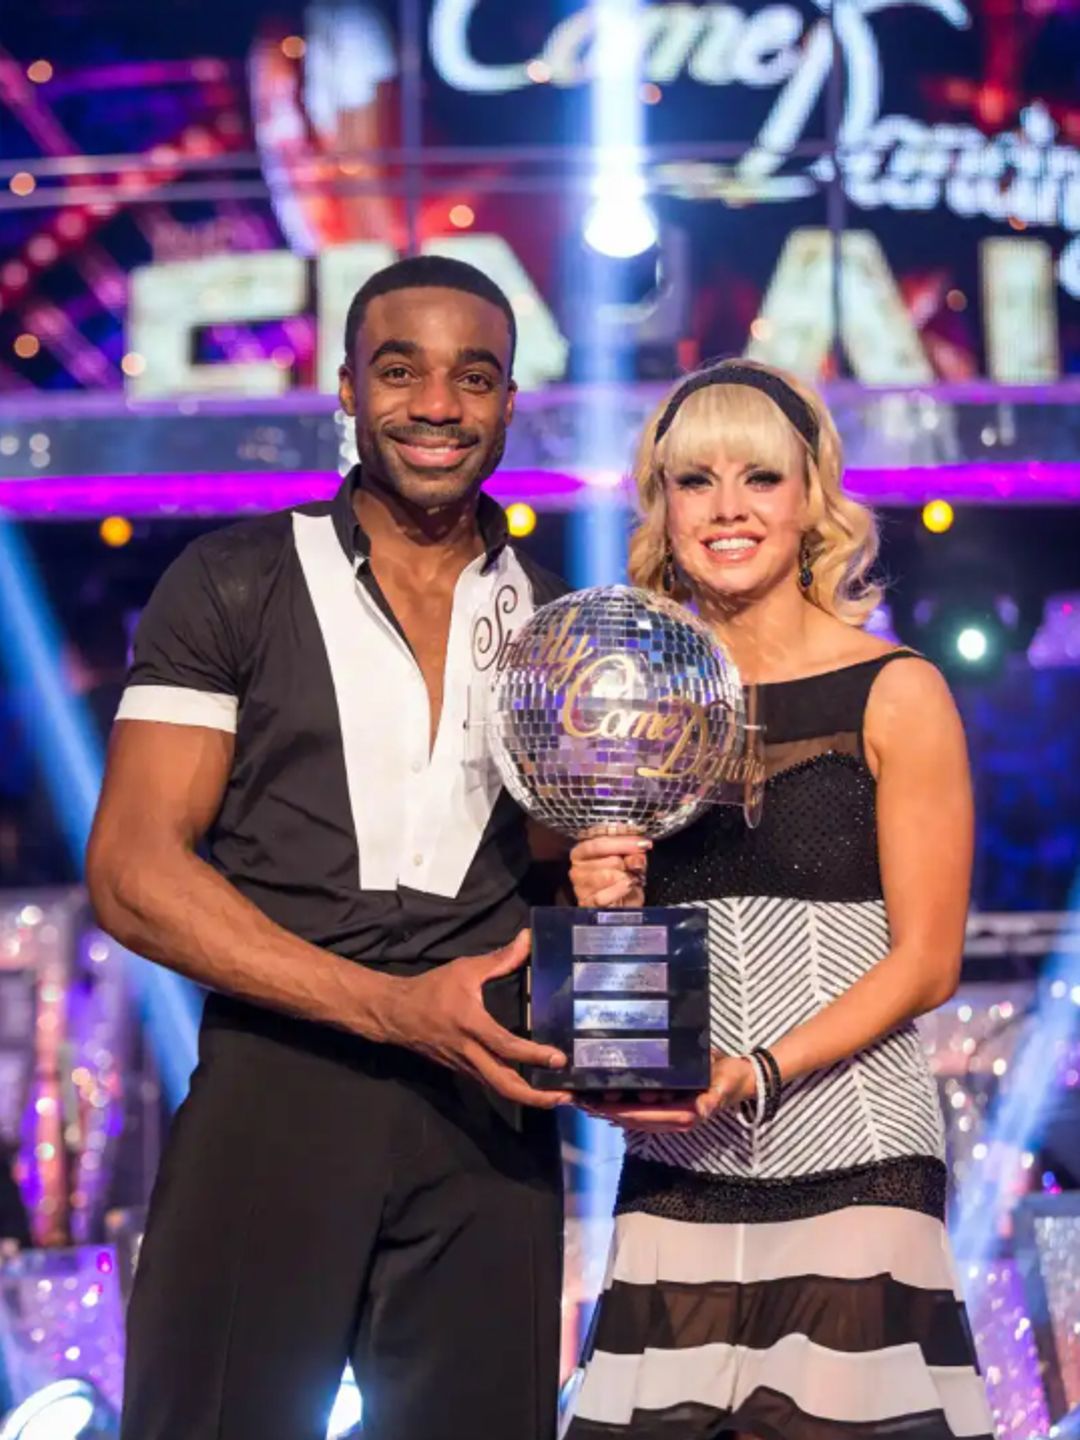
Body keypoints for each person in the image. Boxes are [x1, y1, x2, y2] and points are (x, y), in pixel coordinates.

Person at [86, 255, 572, 1440]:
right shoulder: (234, 580)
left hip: (487, 1120)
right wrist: (390, 1007)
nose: (438, 406)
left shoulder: (563, 621)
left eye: (475, 376)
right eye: (399, 370)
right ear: (345, 389)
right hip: (276, 1092)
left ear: (511, 402)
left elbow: (581, 867)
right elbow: (133, 874)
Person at [563, 360, 993, 1440]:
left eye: (760, 476)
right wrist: (600, 907)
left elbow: (929, 960)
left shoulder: (897, 690)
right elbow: (617, 1024)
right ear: (661, 504)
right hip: (677, 1169)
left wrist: (755, 1072)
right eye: (694, 480)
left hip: (857, 1158)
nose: (728, 508)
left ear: (811, 499)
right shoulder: (626, 705)